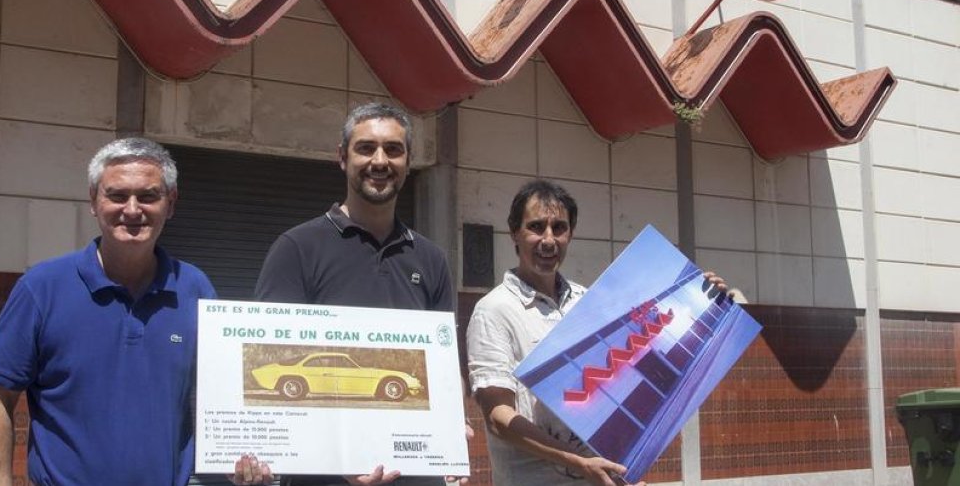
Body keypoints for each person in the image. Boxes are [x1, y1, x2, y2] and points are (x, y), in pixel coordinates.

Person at [0, 137, 216, 486]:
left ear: (171, 203)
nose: (132, 209)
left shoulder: (195, 289)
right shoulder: (41, 288)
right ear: (93, 202)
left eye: (148, 196)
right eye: (117, 195)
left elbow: (218, 395)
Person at [466, 179, 733, 486]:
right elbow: (498, 418)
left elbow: (627, 378)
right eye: (536, 227)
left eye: (560, 228)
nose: (549, 239)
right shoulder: (494, 310)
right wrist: (579, 462)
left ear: (571, 234)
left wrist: (703, 301)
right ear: (514, 232)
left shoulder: (588, 301)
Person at [249, 102, 460, 486]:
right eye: (366, 148)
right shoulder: (296, 248)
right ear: (342, 158)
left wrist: (450, 429)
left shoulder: (431, 259)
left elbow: (442, 369)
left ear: (408, 163)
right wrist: (336, 461)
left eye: (393, 149)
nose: (380, 160)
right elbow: (273, 359)